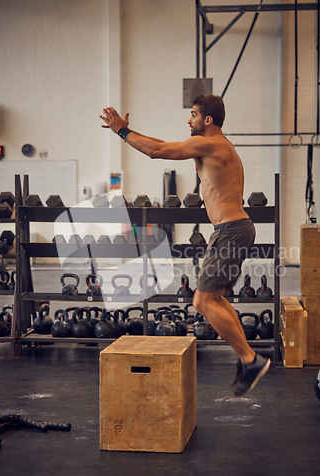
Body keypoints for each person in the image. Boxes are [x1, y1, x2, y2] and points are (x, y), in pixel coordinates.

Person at [100, 94, 270, 396]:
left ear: (208, 120)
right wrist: (131, 131)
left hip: (231, 231)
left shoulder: (212, 143)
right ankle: (248, 358)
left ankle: (250, 359)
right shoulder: (212, 145)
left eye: (192, 114)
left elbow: (156, 151)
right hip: (229, 230)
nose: (188, 119)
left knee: (202, 302)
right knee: (213, 299)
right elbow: (161, 144)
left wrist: (121, 131)